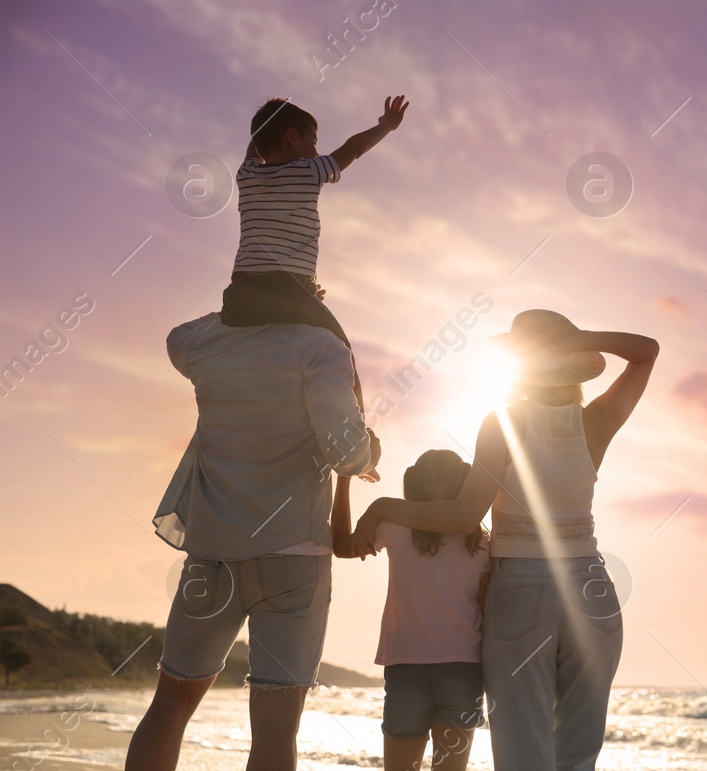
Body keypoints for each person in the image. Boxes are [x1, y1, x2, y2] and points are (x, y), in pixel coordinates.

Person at [353, 310, 658, 771]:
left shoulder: (504, 423)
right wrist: (579, 338)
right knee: (578, 756)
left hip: (522, 585)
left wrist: (383, 507)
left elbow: (462, 516)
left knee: (522, 752)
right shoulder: (596, 420)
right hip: (591, 584)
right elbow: (646, 351)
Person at [131, 310, 381, 771]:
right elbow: (348, 454)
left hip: (211, 555)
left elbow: (177, 335)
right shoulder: (320, 347)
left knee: (170, 705)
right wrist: (370, 449)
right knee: (275, 729)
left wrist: (243, 302)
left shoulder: (206, 345)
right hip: (294, 557)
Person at [222, 94, 409, 409]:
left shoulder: (246, 175)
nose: (317, 151)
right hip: (287, 291)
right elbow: (352, 149)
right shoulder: (308, 171)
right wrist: (386, 127)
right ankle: (360, 437)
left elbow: (255, 145)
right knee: (341, 351)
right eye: (313, 141)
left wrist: (263, 131)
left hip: (239, 295)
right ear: (292, 137)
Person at [329, 453, 491, 771]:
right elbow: (485, 613)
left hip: (407, 667)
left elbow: (341, 546)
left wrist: (344, 480)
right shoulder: (483, 542)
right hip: (464, 668)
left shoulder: (394, 527)